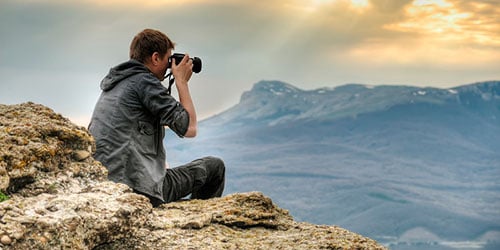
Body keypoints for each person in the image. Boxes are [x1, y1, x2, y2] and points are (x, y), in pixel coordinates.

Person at [88, 28, 225, 207]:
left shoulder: (117, 83)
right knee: (214, 167)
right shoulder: (144, 83)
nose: (170, 65)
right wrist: (181, 82)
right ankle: (200, 219)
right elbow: (190, 128)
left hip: (107, 183)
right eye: (169, 59)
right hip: (135, 188)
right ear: (155, 58)